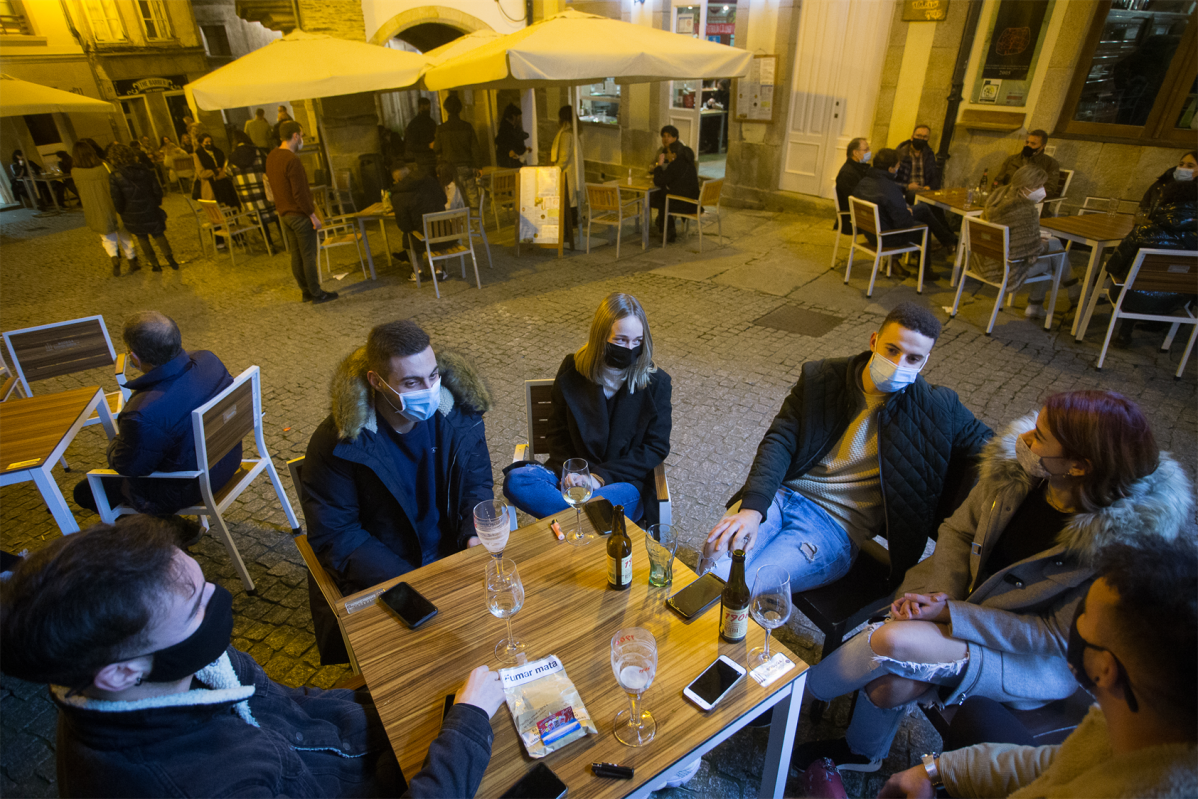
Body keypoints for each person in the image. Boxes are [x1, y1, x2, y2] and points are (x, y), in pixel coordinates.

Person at [795, 390, 1192, 773]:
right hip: (960, 604)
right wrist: (941, 595)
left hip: (1029, 659)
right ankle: (864, 754)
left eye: (1040, 437)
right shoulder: (1014, 474)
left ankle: (787, 701)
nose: (1023, 438)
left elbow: (1053, 636)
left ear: (1079, 466)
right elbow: (958, 531)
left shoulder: (1120, 550)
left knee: (892, 639)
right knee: (889, 688)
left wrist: (951, 614)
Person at [0, 516, 505, 799]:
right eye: (199, 605)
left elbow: (287, 699)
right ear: (121, 672)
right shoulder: (203, 787)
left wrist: (385, 694)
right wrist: (466, 728)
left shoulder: (176, 665)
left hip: (364, 747)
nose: (220, 600)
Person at [875, 536, 1198, 799]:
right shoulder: (1132, 730)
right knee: (979, 714)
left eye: (1083, 618)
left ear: (1103, 669)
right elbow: (1054, 765)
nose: (1076, 622)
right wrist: (938, 772)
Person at [702, 302, 992, 592]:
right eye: (892, 350)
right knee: (713, 560)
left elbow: (996, 445)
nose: (899, 365)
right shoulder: (823, 377)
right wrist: (753, 510)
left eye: (913, 359)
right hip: (780, 496)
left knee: (749, 586)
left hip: (833, 528)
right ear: (874, 340)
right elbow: (780, 440)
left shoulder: (938, 407)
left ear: (925, 361)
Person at [301, 320, 493, 661]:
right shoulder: (337, 442)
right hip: (386, 575)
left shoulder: (460, 415)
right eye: (412, 382)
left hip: (454, 555)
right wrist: (413, 580)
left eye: (433, 376)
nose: (430, 390)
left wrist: (473, 534)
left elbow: (476, 484)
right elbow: (338, 535)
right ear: (377, 381)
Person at [503, 293, 672, 525]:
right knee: (517, 480)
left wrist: (598, 478)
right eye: (621, 340)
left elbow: (655, 447)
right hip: (569, 479)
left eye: (638, 341)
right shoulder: (572, 369)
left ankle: (572, 524)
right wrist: (571, 473)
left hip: (622, 484)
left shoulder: (657, 384)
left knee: (606, 504)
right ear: (601, 337)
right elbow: (557, 432)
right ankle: (589, 523)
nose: (630, 348)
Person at [72, 311, 241, 518]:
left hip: (188, 487)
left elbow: (129, 467)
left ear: (134, 356)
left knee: (85, 491)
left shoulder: (141, 413)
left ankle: (165, 532)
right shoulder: (209, 360)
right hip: (228, 459)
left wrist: (115, 444)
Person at [1099, 179, 1198, 347]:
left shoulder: (1144, 232)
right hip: (1176, 302)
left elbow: (1113, 266)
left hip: (1132, 298)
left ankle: (1124, 334)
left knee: (1131, 282)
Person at [974, 164, 1073, 320]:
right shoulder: (1026, 210)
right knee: (1052, 256)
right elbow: (1030, 252)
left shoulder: (997, 198)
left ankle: (1056, 296)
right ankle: (1070, 291)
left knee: (1052, 243)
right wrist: (1039, 243)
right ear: (1026, 186)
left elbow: (1012, 235)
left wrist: (1033, 238)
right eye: (1039, 186)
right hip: (1005, 270)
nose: (1042, 189)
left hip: (985, 261)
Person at [266, 121, 338, 304]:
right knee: (308, 256)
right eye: (302, 136)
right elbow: (299, 193)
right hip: (299, 215)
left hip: (284, 214)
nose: (303, 140)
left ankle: (305, 291)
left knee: (296, 255)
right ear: (296, 136)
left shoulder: (272, 156)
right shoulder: (292, 160)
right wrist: (313, 215)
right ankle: (316, 293)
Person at [851, 149, 958, 268]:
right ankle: (926, 269)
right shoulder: (890, 188)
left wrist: (906, 211)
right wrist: (907, 213)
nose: (898, 169)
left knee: (922, 208)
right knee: (923, 228)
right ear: (891, 169)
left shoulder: (864, 182)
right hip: (886, 236)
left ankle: (948, 240)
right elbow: (903, 223)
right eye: (897, 166)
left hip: (871, 232)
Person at [107, 143, 179, 272]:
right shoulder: (144, 169)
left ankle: (155, 264)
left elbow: (117, 198)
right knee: (158, 233)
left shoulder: (115, 176)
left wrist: (121, 210)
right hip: (150, 206)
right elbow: (156, 188)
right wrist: (156, 202)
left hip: (131, 212)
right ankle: (170, 259)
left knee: (142, 237)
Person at [71, 140, 139, 276]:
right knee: (124, 234)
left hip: (95, 208)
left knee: (107, 237)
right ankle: (132, 261)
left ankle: (114, 257)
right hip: (114, 203)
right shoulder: (105, 166)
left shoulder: (75, 172)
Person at [389, 157, 448, 281]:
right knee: (435, 229)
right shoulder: (430, 181)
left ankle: (418, 271)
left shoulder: (399, 194)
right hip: (445, 233)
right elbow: (443, 199)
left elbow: (404, 225)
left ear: (398, 180)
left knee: (408, 237)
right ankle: (439, 270)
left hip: (423, 238)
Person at [227, 130, 279, 253]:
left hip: (247, 196)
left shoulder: (232, 157)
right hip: (264, 193)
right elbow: (270, 167)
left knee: (259, 220)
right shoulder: (259, 152)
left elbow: (228, 173)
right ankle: (286, 241)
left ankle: (269, 244)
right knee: (275, 216)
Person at [434, 93, 483, 211]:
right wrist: (478, 166)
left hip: (450, 171)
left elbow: (437, 149)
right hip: (467, 168)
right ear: (460, 109)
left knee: (454, 202)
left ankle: (459, 226)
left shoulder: (441, 129)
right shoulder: (467, 126)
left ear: (446, 109)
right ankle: (475, 224)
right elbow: (475, 148)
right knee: (472, 199)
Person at [650, 140, 700, 243]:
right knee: (662, 197)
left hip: (684, 204)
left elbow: (659, 181)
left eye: (668, 153)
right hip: (693, 202)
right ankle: (665, 226)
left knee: (659, 199)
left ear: (674, 154)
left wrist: (659, 166)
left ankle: (667, 230)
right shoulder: (689, 164)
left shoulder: (675, 165)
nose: (667, 155)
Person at [994, 129, 1062, 201]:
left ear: (1042, 146)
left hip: (1030, 202)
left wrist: (1025, 196)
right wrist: (1004, 195)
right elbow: (999, 181)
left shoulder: (1050, 164)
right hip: (1007, 198)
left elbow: (1049, 189)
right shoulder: (1012, 160)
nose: (1028, 145)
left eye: (1033, 144)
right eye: (1027, 142)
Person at [552, 105, 585, 227]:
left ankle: (568, 228)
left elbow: (563, 157)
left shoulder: (566, 135)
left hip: (568, 173)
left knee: (568, 200)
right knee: (573, 200)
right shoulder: (575, 132)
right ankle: (573, 224)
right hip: (574, 171)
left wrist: (554, 170)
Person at [1138, 150, 1198, 216]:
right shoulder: (1161, 184)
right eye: (1181, 164)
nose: (1183, 168)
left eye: (1190, 166)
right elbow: (1143, 208)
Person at [191, 132, 240, 210]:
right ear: (201, 144)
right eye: (206, 142)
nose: (209, 144)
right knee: (218, 206)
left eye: (210, 142)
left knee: (230, 204)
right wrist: (214, 171)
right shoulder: (198, 155)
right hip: (211, 184)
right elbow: (201, 173)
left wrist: (223, 171)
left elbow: (224, 164)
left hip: (224, 181)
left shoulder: (218, 152)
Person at [894, 124, 941, 202]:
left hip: (925, 190)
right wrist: (908, 186)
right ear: (912, 137)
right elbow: (891, 180)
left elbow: (935, 177)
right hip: (907, 191)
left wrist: (929, 187)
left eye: (925, 137)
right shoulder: (900, 153)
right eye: (919, 136)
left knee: (939, 201)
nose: (921, 139)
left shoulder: (929, 154)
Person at [835, 137, 872, 214]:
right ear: (855, 153)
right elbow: (854, 198)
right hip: (853, 214)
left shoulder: (860, 168)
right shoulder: (847, 173)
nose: (869, 152)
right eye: (866, 150)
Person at [405, 96, 438, 172]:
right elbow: (411, 146)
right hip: (423, 160)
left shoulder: (429, 122)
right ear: (420, 108)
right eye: (425, 108)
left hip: (428, 159)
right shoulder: (415, 124)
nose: (427, 110)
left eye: (428, 108)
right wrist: (428, 146)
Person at [495, 102, 529, 169]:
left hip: (515, 162)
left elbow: (520, 137)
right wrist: (509, 151)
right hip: (508, 163)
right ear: (513, 116)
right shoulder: (505, 129)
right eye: (518, 117)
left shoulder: (515, 127)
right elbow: (500, 142)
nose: (519, 119)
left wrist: (524, 149)